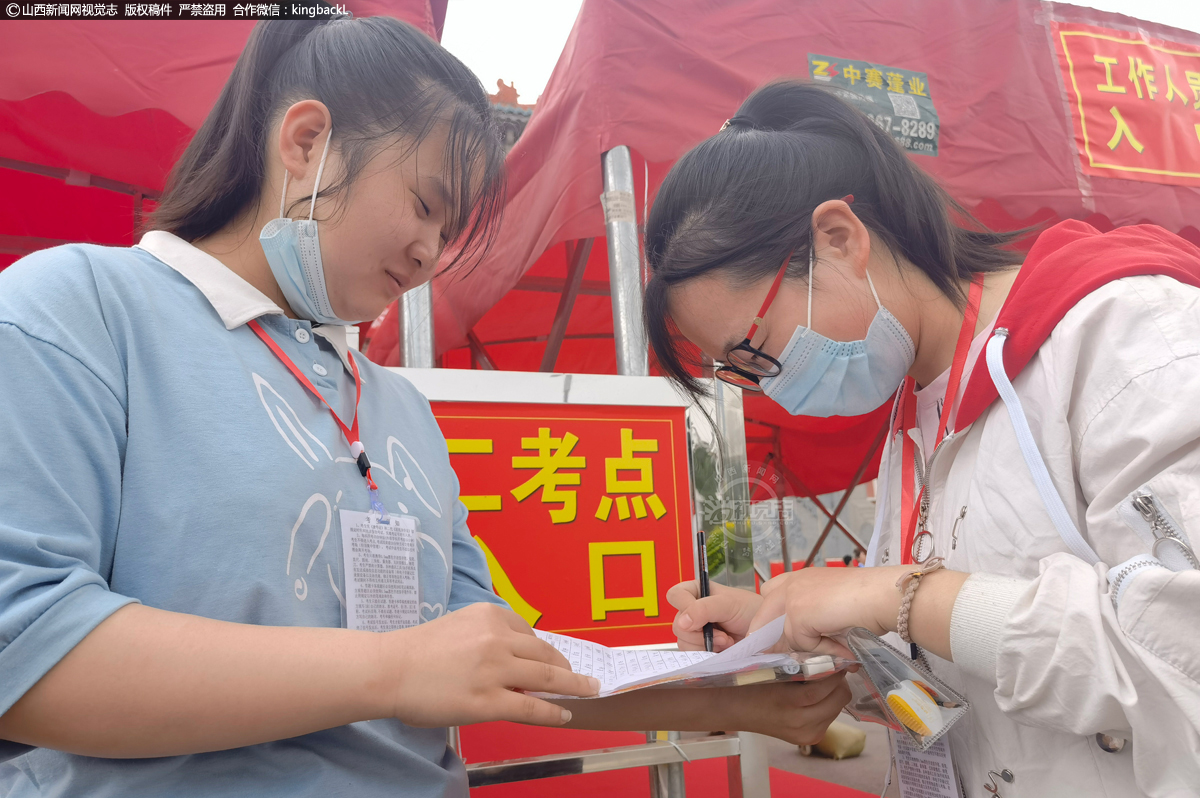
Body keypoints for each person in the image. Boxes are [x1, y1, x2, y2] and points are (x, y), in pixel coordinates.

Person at [0, 24, 849, 796]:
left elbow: (491, 667)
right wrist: (391, 669)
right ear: (306, 143)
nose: (430, 254)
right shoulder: (75, 309)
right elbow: (23, 648)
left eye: (448, 232)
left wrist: (740, 704)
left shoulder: (395, 404)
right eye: (425, 205)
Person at [648, 80, 1200, 797]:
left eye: (753, 351)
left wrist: (896, 595)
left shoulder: (1128, 338)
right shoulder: (913, 422)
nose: (767, 387)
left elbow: (1179, 652)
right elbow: (970, 681)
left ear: (839, 239)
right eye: (736, 374)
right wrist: (801, 636)